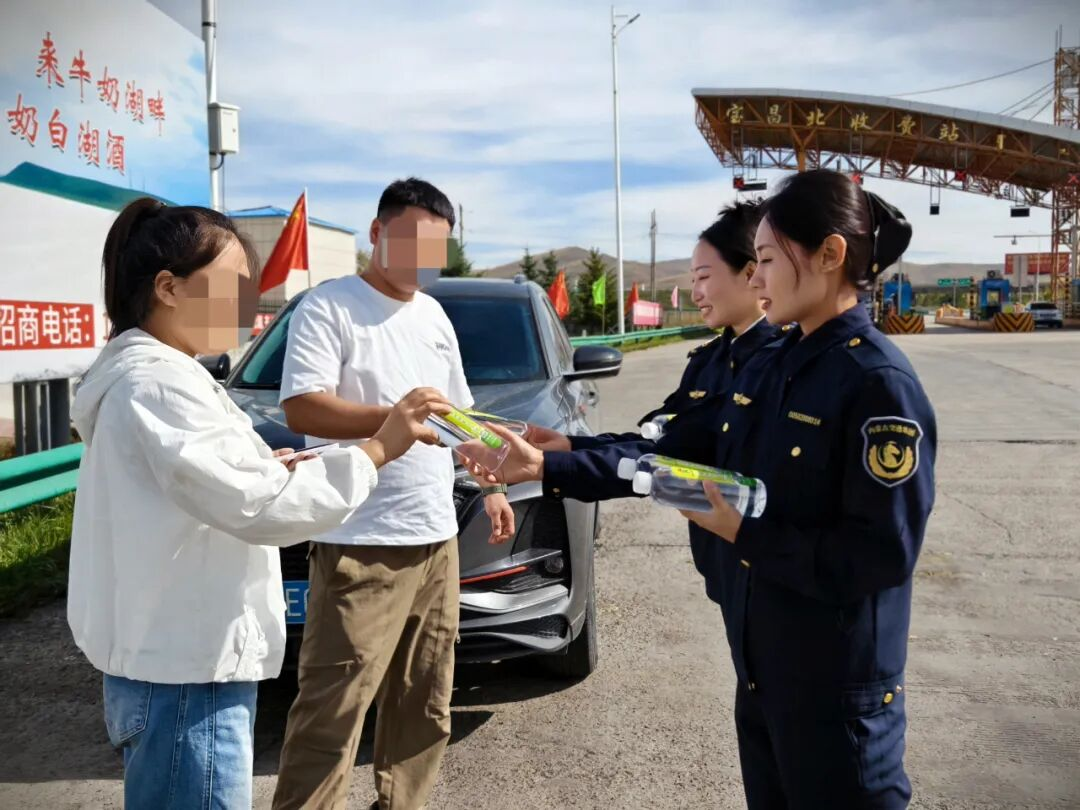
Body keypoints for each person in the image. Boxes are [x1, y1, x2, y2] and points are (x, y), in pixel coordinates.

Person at [68, 198, 447, 810]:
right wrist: (378, 448)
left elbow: (215, 486)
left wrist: (272, 467)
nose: (249, 305)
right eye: (235, 286)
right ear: (168, 287)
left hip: (183, 665)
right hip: (187, 676)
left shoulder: (167, 376)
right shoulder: (157, 384)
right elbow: (259, 507)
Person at [660, 170, 936, 808]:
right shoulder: (776, 364)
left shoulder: (877, 383)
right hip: (766, 679)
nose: (755, 279)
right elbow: (702, 447)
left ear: (830, 254)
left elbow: (880, 554)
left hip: (836, 702)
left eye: (765, 260)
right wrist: (561, 459)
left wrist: (743, 532)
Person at [272, 178, 514, 810]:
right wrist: (394, 419)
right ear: (377, 233)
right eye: (411, 243)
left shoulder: (433, 315)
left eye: (436, 249)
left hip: (436, 540)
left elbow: (458, 417)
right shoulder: (330, 306)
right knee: (333, 711)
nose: (423, 262)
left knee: (425, 705)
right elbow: (302, 405)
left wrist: (489, 483)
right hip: (360, 543)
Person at [478, 201, 779, 615]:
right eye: (692, 279)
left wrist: (545, 467)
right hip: (726, 568)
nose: (696, 293)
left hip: (773, 570)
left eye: (705, 277)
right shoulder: (711, 359)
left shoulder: (780, 364)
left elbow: (667, 460)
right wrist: (569, 447)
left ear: (750, 273)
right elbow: (663, 445)